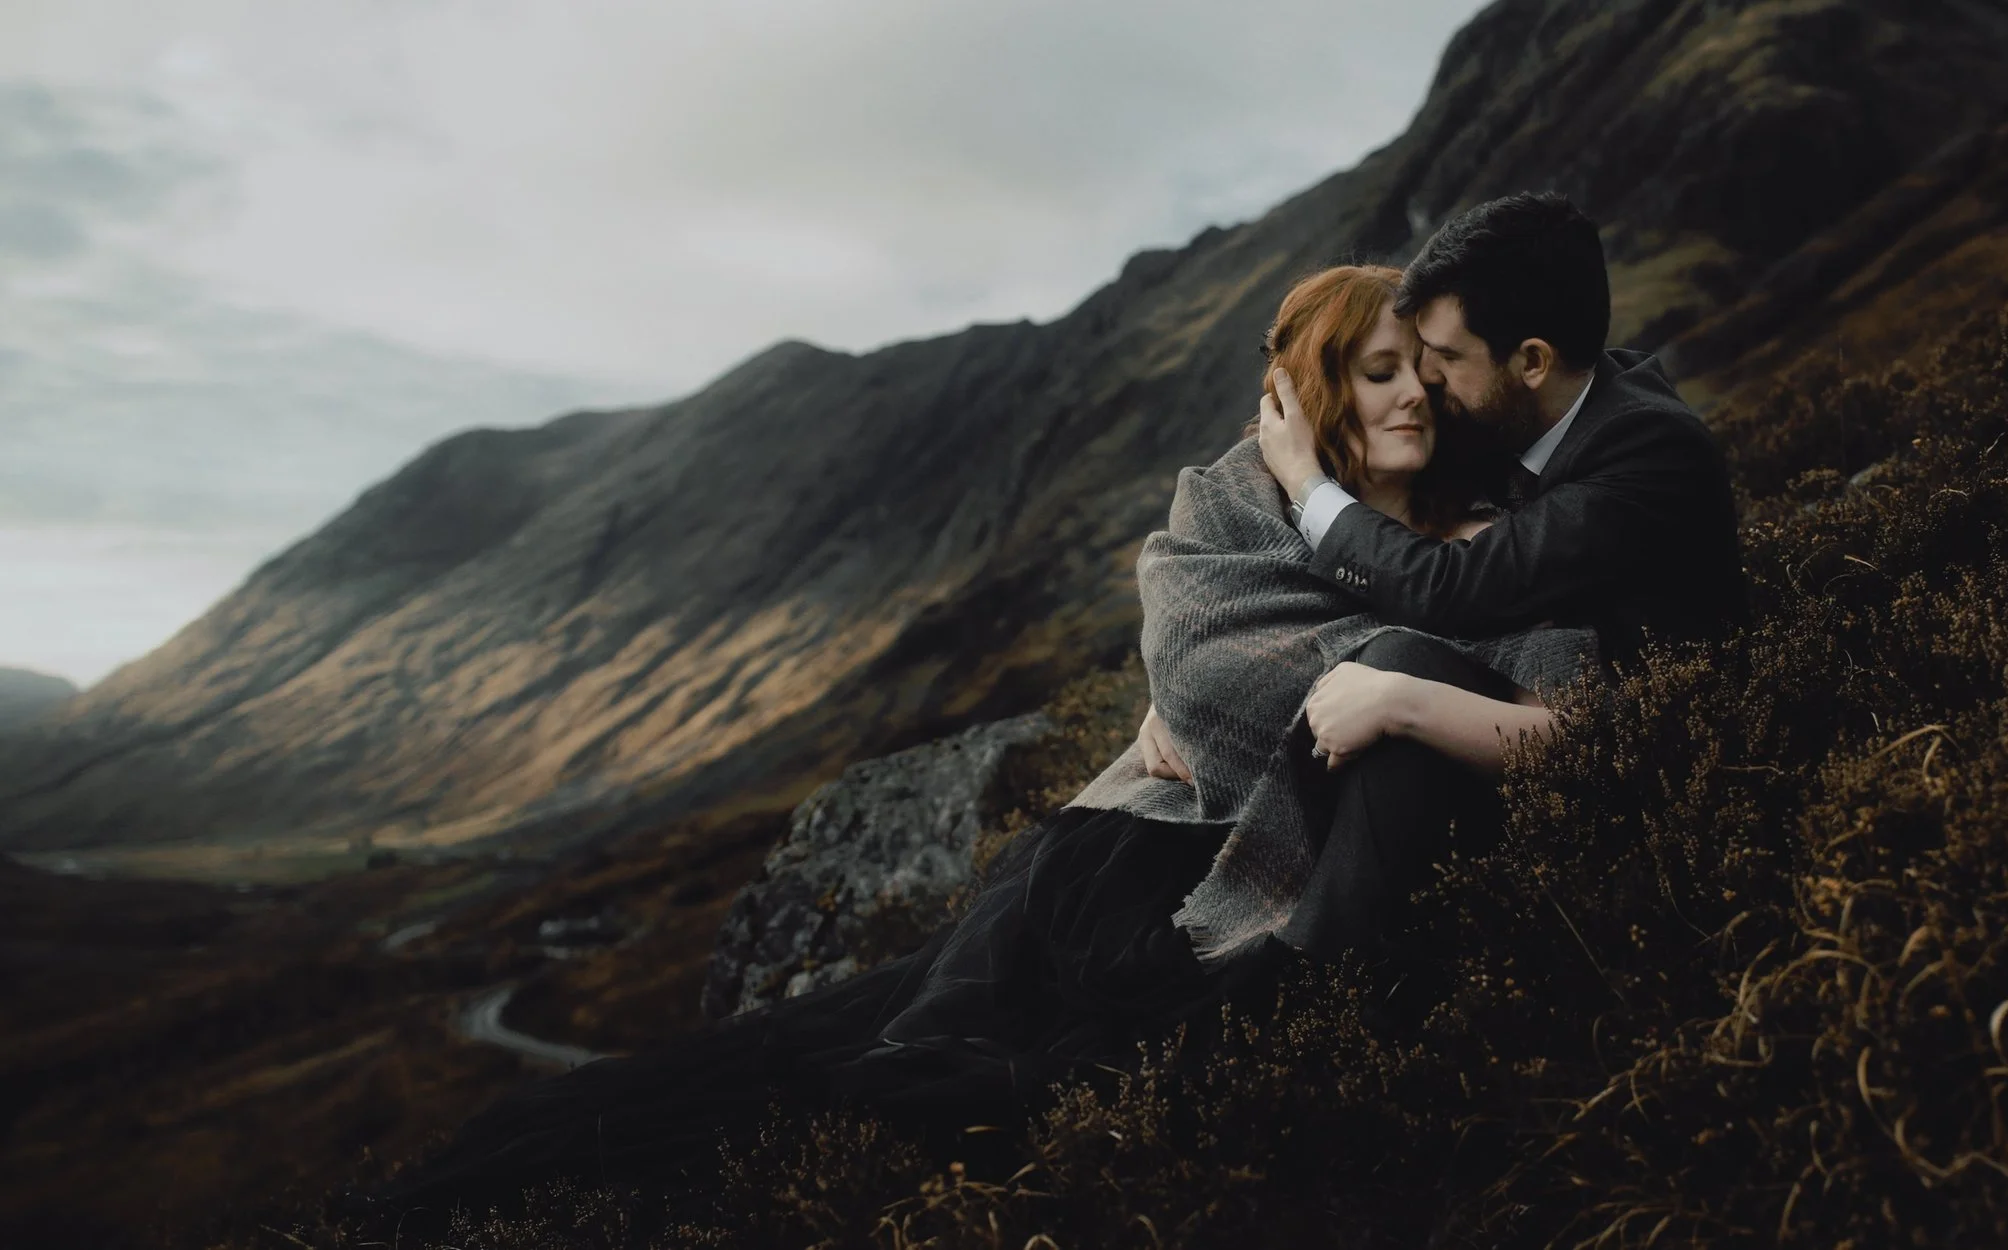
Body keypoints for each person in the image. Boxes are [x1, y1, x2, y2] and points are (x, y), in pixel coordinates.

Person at [373, 264, 1591, 1216]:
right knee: (863, 1068)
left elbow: (1535, 709)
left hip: (1331, 873)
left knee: (997, 1083)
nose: (1412, 397)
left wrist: (1382, 690)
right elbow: (1201, 664)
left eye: (1423, 374)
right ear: (1315, 389)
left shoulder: (1500, 539)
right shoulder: (1228, 503)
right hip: (1132, 851)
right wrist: (1312, 691)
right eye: (1377, 372)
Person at [1137, 191, 1746, 962]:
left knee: (1395, 664)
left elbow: (1449, 590)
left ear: (1531, 361)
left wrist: (1306, 487)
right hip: (1547, 730)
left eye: (1445, 361)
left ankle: (1313, 980)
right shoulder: (1519, 414)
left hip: (1653, 761)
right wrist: (1187, 688)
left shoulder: (1646, 452)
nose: (1425, 385)